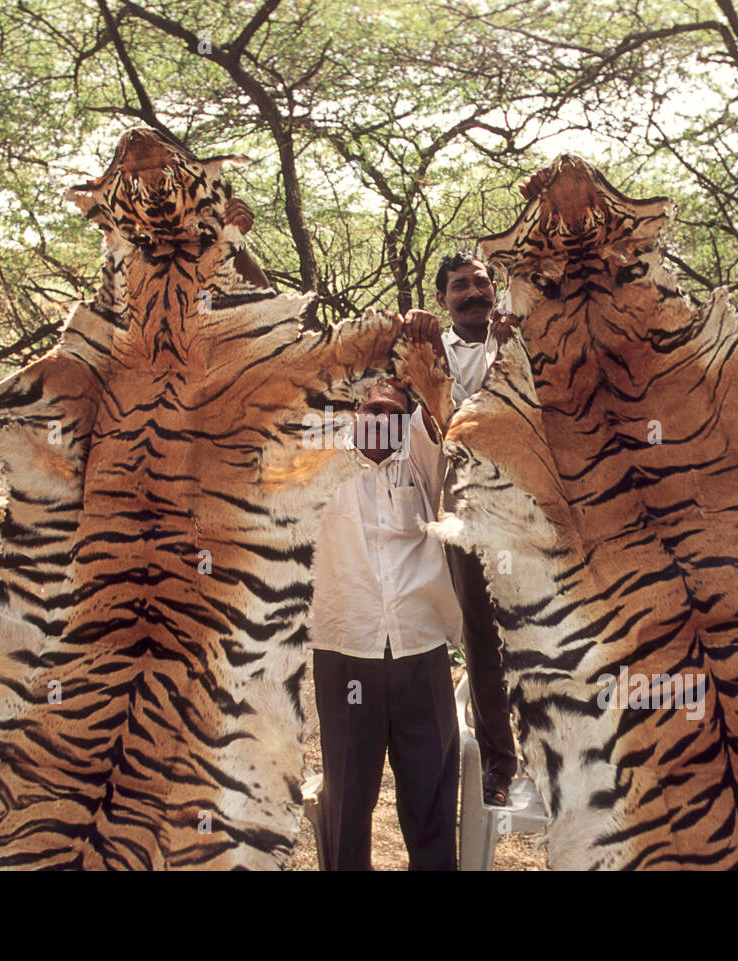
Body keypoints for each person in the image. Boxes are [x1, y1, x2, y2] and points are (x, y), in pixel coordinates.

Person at [310, 379, 461, 870]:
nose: (383, 419)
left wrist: (425, 342)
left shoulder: (420, 460)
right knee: (347, 804)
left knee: (431, 804)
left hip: (421, 652)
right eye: (372, 408)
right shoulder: (321, 459)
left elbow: (440, 400)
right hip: (345, 653)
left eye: (396, 412)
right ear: (353, 412)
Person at [400, 253, 523, 806]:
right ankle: (499, 761)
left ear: (494, 287)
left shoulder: (524, 334)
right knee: (481, 633)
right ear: (445, 299)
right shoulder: (433, 351)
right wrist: (410, 331)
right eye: (458, 287)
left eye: (479, 282)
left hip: (532, 503)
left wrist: (518, 345)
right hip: (466, 505)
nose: (472, 293)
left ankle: (558, 749)